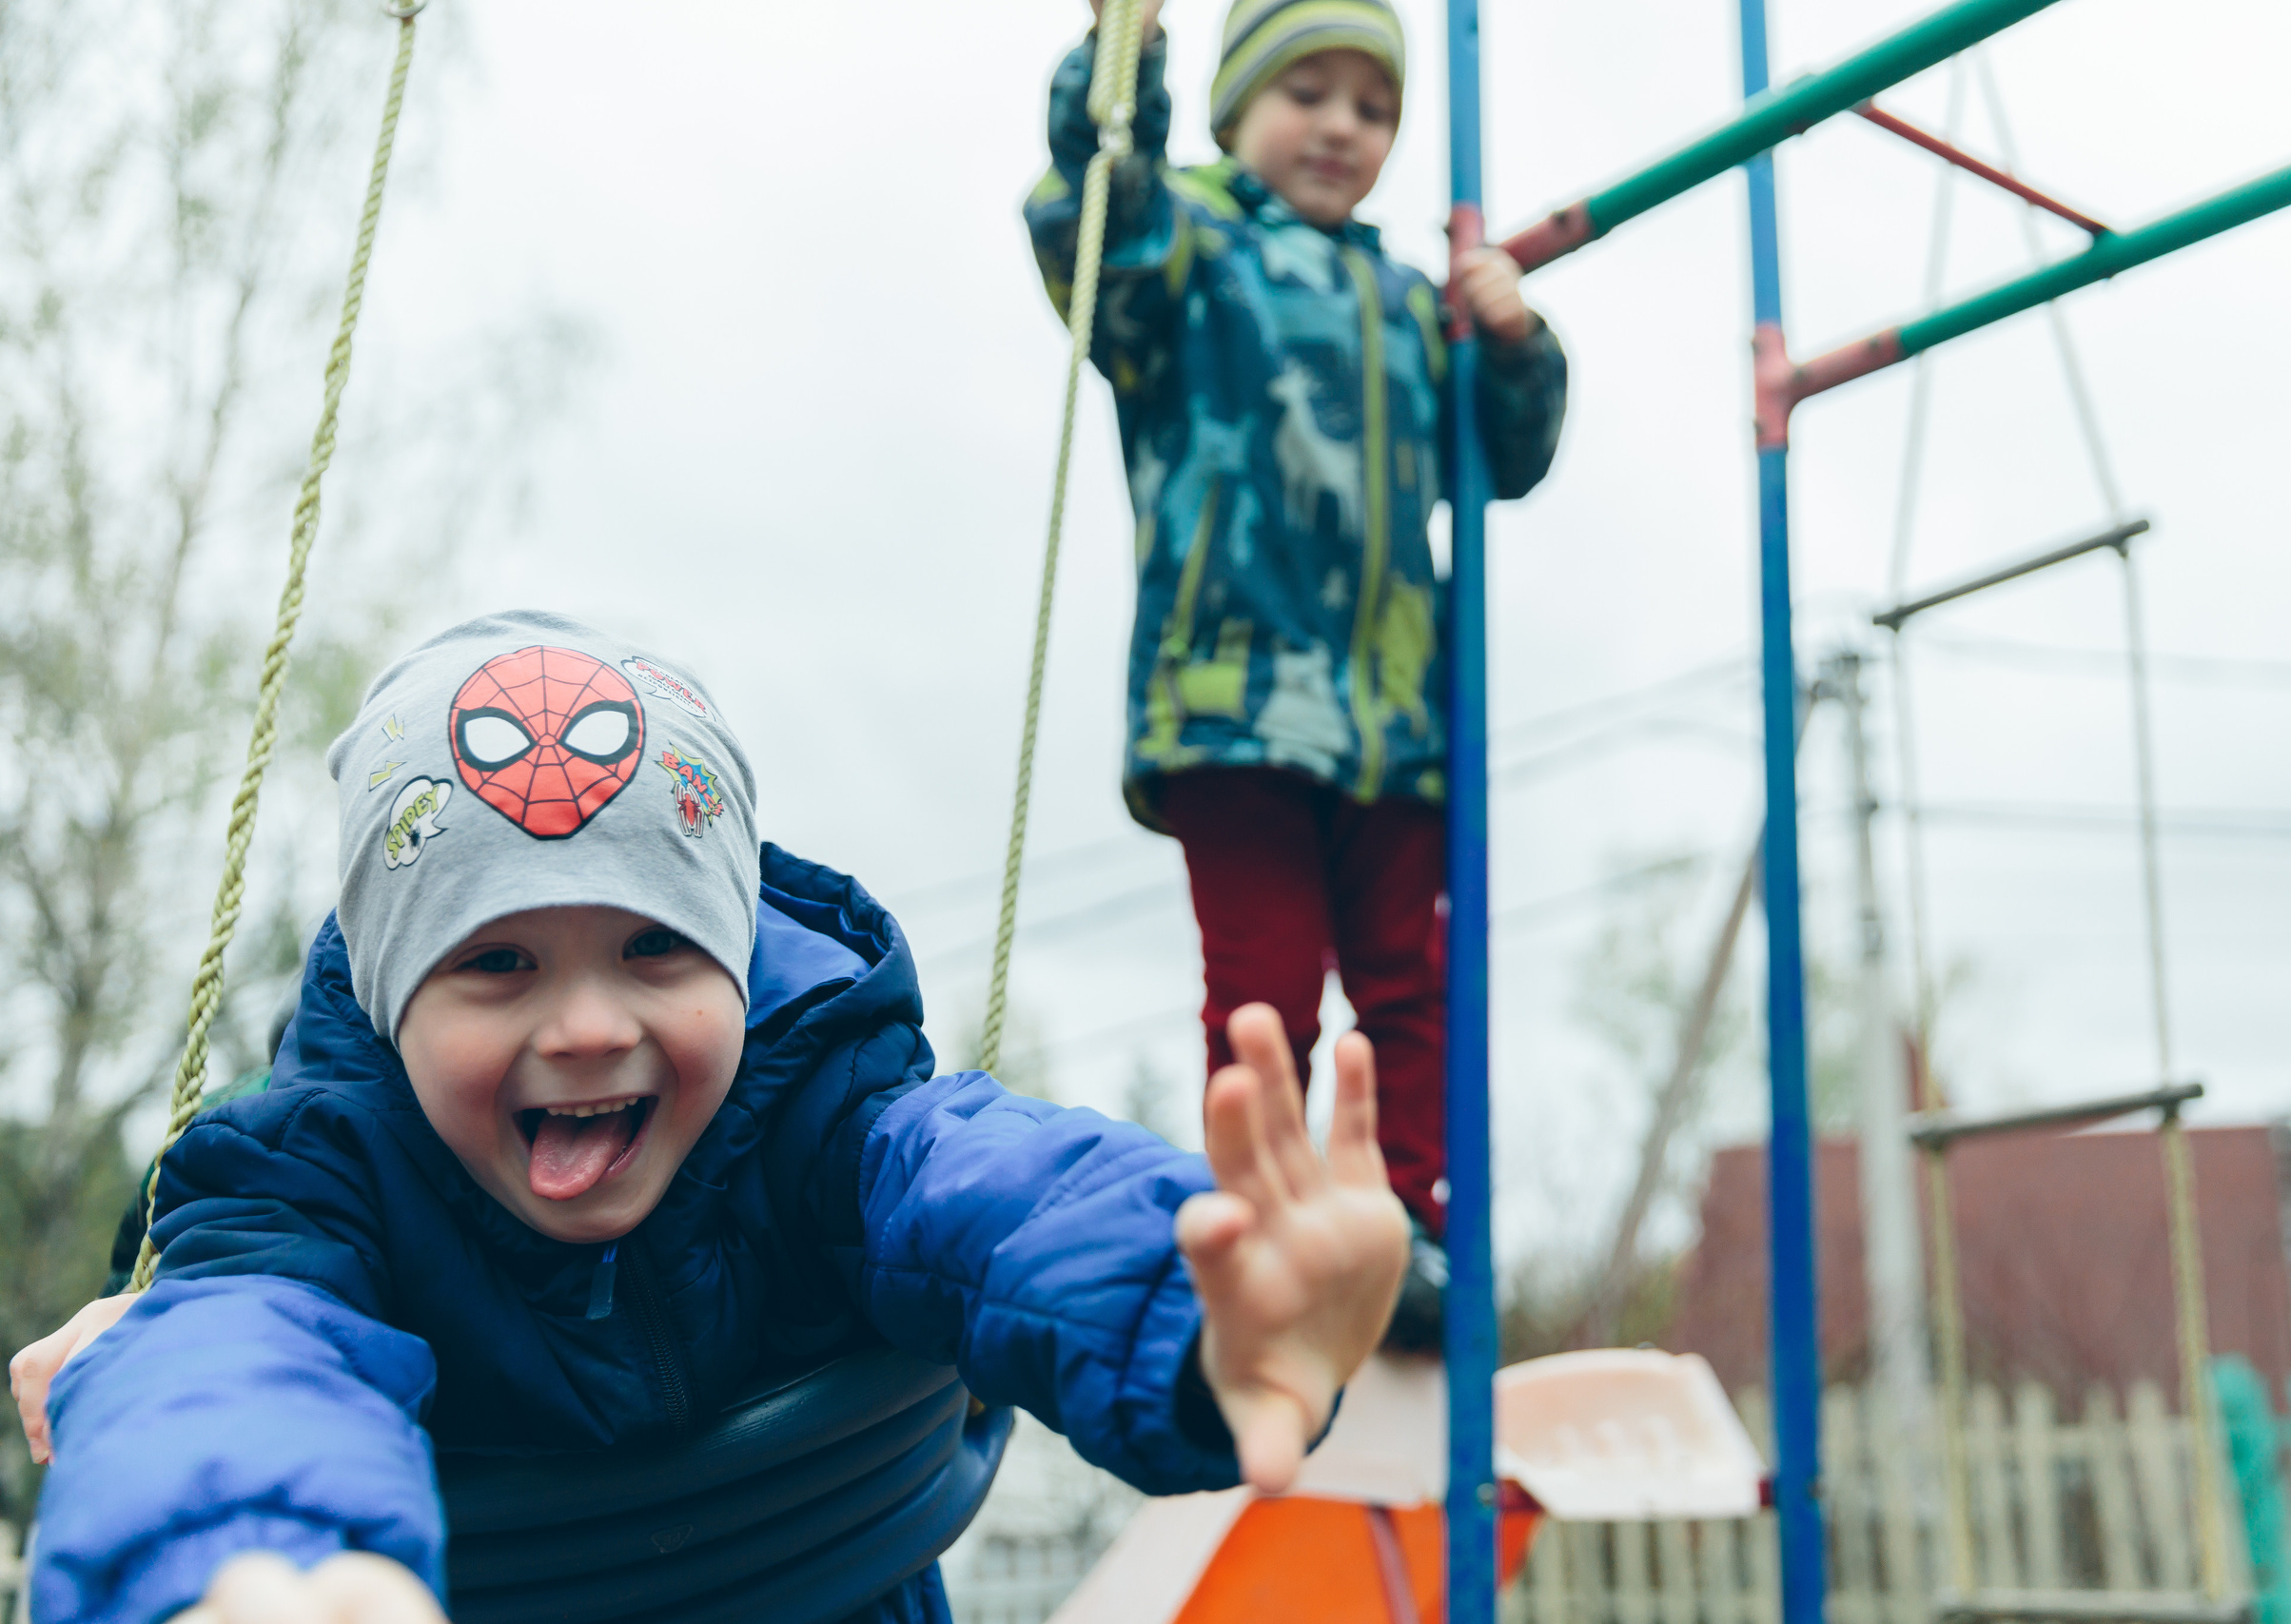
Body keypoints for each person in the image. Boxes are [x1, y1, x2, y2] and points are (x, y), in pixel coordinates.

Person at [8, 611, 1407, 1624]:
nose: (589, 1024)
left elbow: (1001, 1190)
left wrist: (1194, 1296)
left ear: (737, 963)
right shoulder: (316, 1180)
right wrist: (252, 1563)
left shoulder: (827, 1118)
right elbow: (241, 1357)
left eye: (655, 951)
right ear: (390, 1006)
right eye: (498, 964)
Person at [1024, 0, 1568, 1340]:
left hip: (1392, 710)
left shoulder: (1408, 302)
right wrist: (1121, 74)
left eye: (1371, 108)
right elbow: (1087, 215)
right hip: (1234, 698)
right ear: (1232, 112)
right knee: (1265, 984)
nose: (1340, 127)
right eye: (1306, 95)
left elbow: (1505, 458)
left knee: (1408, 983)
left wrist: (1512, 344)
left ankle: (1403, 1224)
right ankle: (1267, 1213)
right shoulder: (1189, 249)